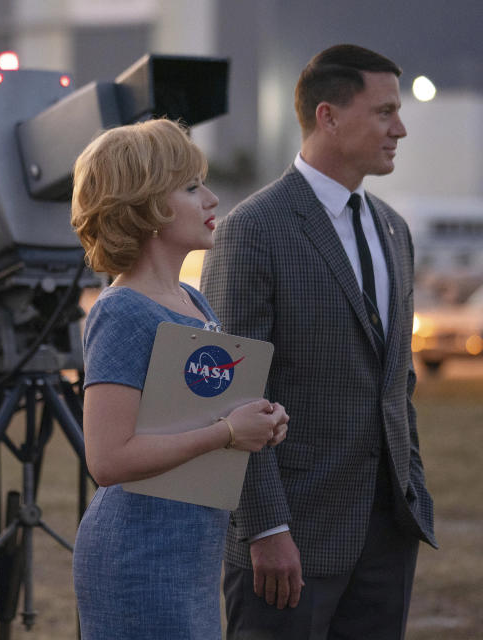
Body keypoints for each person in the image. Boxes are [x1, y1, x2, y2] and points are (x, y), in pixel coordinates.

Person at [200, 44, 437, 639]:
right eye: (384, 112)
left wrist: (411, 486)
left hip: (387, 533)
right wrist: (265, 528)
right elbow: (233, 394)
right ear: (327, 116)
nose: (400, 129)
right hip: (290, 541)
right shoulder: (252, 231)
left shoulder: (392, 229)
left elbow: (395, 380)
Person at [70, 118, 289, 639]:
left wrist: (258, 421)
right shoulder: (122, 310)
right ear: (145, 205)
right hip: (138, 558)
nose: (212, 199)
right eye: (191, 187)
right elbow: (107, 460)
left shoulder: (193, 300)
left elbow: (191, 418)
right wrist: (227, 433)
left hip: (187, 556)